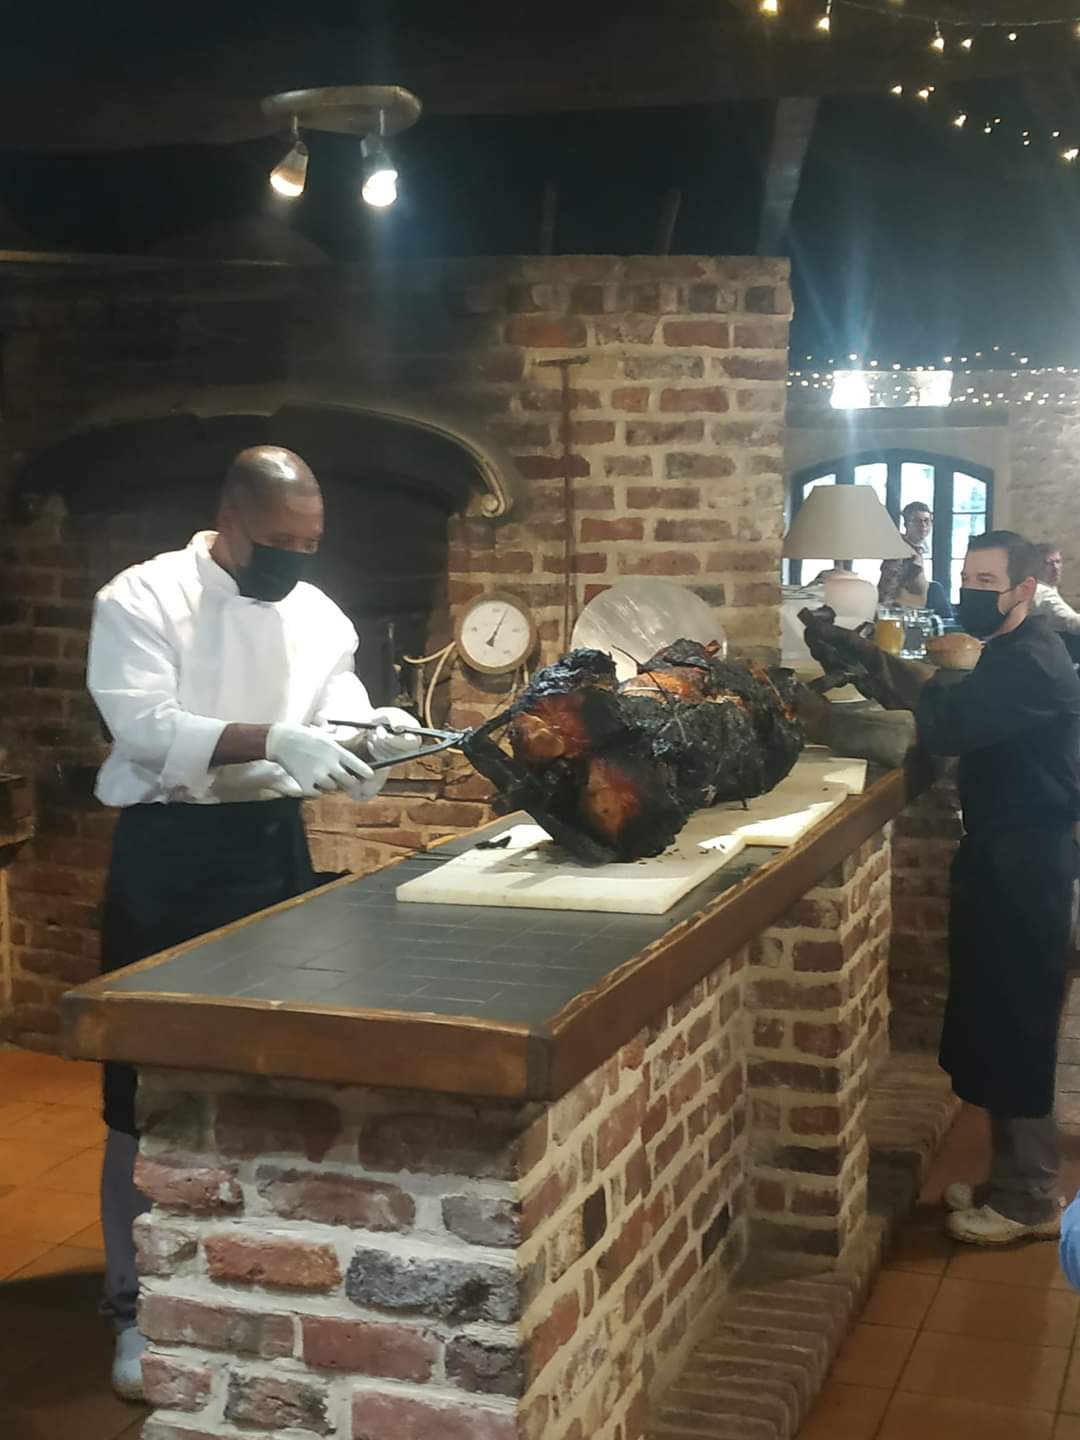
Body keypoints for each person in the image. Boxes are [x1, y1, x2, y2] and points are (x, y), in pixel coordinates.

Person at [86, 446, 420, 1399]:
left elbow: (339, 714)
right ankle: (133, 1307)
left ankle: (248, 1269)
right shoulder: (141, 598)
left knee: (267, 1067)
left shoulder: (317, 612)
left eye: (311, 543)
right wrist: (274, 737)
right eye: (281, 542)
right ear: (230, 517)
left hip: (272, 848)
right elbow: (144, 727)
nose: (296, 560)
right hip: (167, 851)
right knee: (140, 1088)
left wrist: (376, 733)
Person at [804, 530, 1080, 1246]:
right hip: (1004, 854)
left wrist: (856, 687)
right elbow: (945, 698)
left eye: (987, 581)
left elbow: (948, 723)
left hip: (1029, 862)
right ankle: (1011, 1179)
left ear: (1025, 589)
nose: (971, 591)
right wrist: (869, 659)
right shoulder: (1011, 649)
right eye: (967, 576)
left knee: (1016, 1022)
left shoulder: (1035, 661)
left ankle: (1030, 1198)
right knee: (996, 1015)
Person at [878, 500, 933, 609]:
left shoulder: (919, 549)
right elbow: (887, 591)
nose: (923, 525)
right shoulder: (900, 552)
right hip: (900, 612)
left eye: (926, 521)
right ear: (906, 524)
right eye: (917, 521)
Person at [1033, 542, 1080, 637]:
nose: (1055, 567)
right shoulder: (1041, 591)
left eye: (1058, 562)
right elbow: (1072, 622)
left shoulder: (1047, 589)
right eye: (1048, 563)